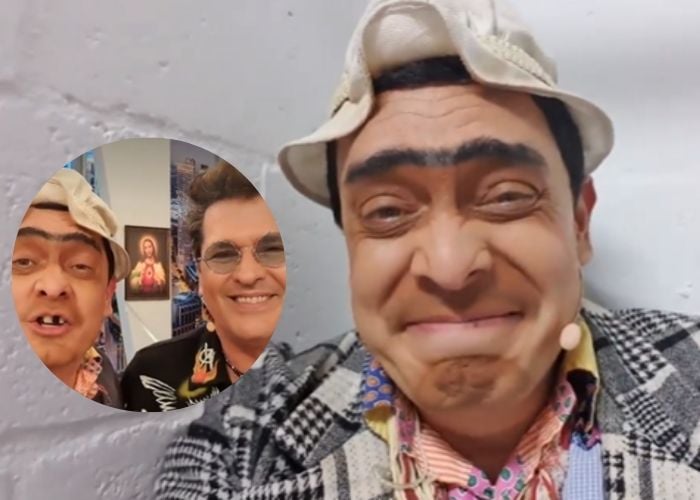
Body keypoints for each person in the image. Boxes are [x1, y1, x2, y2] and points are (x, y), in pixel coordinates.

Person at [154, 0, 700, 498]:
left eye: (507, 197)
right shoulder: (245, 443)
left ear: (579, 223)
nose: (450, 267)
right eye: (387, 211)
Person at [121, 160, 287, 412]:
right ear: (200, 273)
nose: (248, 275)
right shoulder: (151, 375)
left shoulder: (334, 371)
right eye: (223, 255)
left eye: (272, 250)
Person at [11, 168, 130, 408]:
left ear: (107, 295)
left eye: (80, 265)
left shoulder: (104, 375)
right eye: (23, 262)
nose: (53, 287)